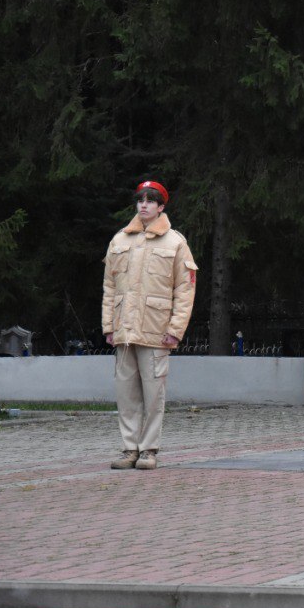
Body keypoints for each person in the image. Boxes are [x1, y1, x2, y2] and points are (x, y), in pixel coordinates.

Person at [102, 180, 198, 470]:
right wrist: (109, 326)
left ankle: (149, 450)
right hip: (124, 331)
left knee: (153, 394)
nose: (143, 205)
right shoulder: (119, 240)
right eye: (140, 200)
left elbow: (185, 289)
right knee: (125, 393)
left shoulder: (175, 242)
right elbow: (109, 286)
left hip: (156, 331)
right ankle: (129, 449)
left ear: (161, 206)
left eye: (150, 200)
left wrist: (175, 329)